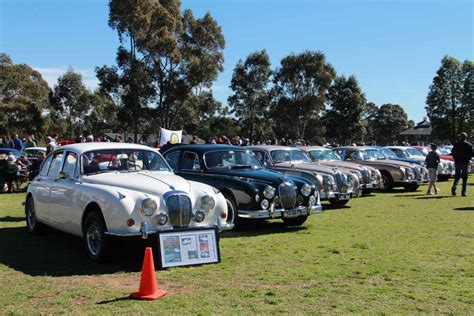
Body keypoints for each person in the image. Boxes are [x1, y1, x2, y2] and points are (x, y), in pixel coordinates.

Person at [451, 132, 473, 196]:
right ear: (466, 137)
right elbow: (471, 154)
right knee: (464, 178)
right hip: (465, 162)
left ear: (460, 137)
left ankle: (454, 187)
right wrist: (468, 159)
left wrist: (456, 158)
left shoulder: (456, 144)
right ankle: (463, 192)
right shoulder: (469, 145)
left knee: (457, 176)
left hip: (458, 162)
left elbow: (453, 153)